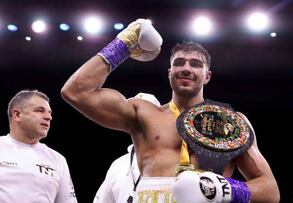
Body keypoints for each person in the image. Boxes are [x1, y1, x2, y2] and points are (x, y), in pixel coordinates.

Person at [61, 18, 280, 202]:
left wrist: (219, 188)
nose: (186, 68)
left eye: (195, 64)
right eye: (179, 63)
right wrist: (124, 45)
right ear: (169, 72)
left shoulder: (231, 122)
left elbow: (270, 190)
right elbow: (76, 92)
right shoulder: (143, 113)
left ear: (207, 76)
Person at [0, 89, 77, 203]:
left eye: (50, 113)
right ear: (17, 115)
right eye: (40, 111)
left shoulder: (57, 159)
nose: (48, 117)